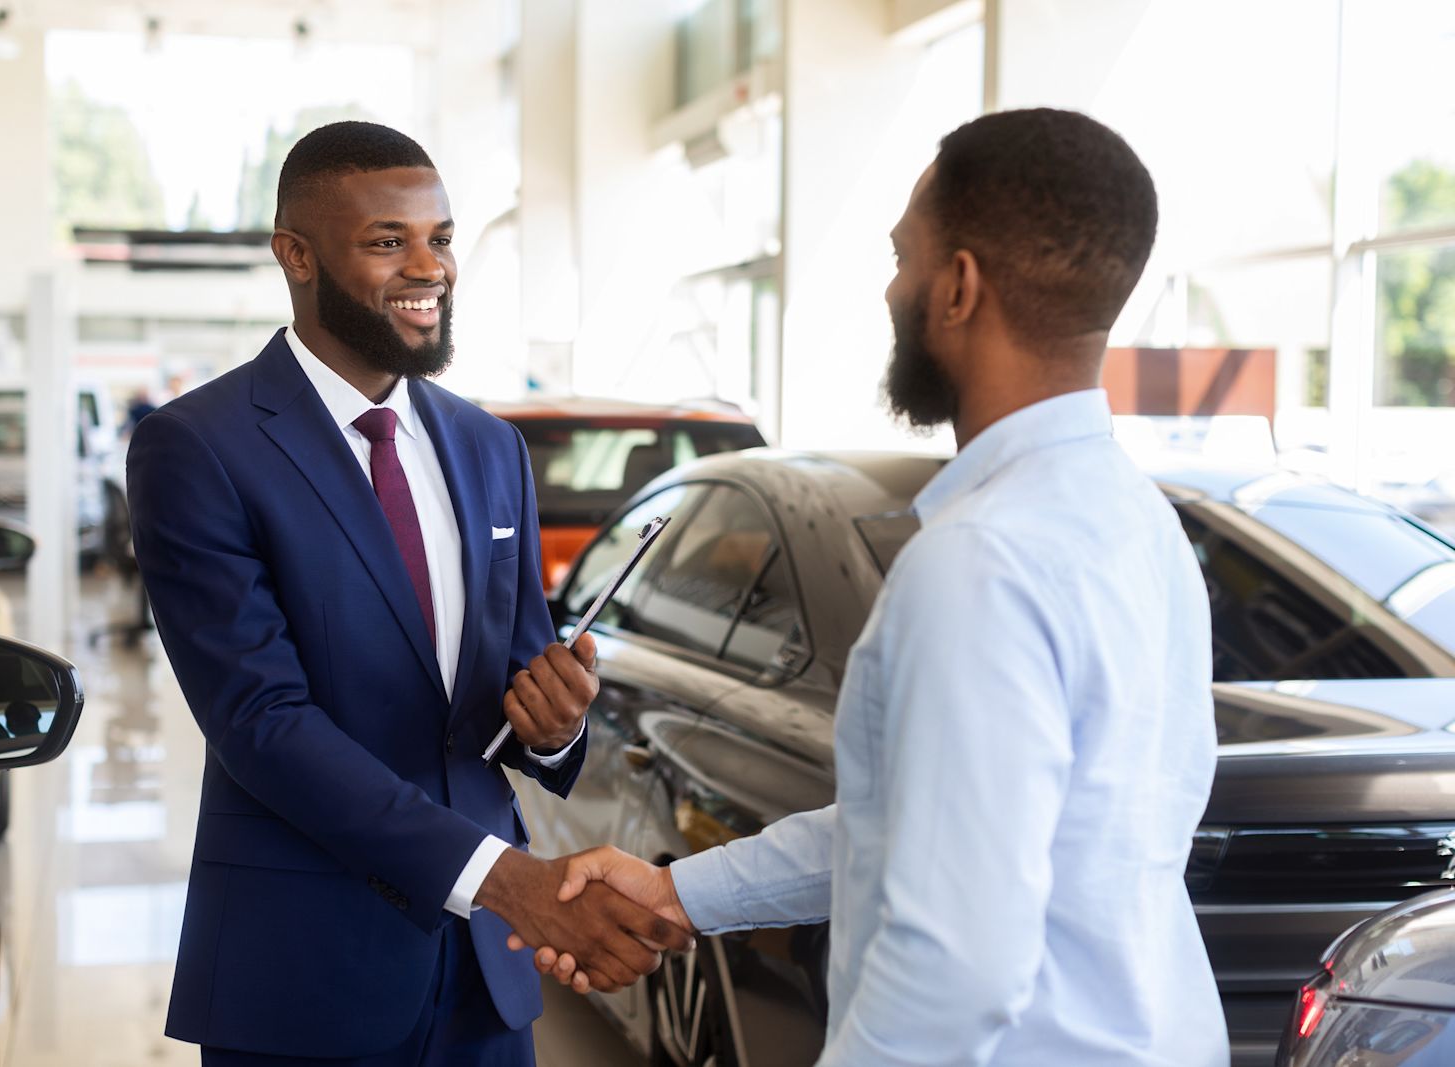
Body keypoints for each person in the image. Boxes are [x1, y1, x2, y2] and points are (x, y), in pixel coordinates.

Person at [521, 108, 1229, 1066]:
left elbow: (955, 966)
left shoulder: (979, 560)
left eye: (904, 258)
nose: (892, 289)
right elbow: (907, 824)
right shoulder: (1138, 523)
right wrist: (674, 893)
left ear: (960, 287)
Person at [126, 121, 689, 1067]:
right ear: (295, 256)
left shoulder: (487, 445)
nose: (429, 267)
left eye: (441, 237)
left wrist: (555, 726)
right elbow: (261, 721)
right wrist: (502, 877)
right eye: (389, 241)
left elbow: (506, 680)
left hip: (485, 975)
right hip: (305, 969)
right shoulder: (199, 447)